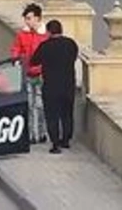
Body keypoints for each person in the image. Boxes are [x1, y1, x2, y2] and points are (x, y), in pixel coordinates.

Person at [30, 19, 79, 153]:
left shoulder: (45, 46)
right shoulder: (71, 44)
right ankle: (66, 140)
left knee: (52, 115)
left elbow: (34, 61)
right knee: (67, 114)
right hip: (68, 85)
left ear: (49, 32)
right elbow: (74, 57)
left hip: (51, 86)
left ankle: (55, 144)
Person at [10, 3, 49, 144]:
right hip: (27, 73)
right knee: (29, 105)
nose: (27, 21)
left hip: (41, 74)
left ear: (37, 18)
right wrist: (16, 60)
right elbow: (16, 49)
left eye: (29, 18)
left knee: (40, 106)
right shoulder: (22, 35)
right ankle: (32, 135)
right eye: (26, 18)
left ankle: (41, 132)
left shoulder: (45, 35)